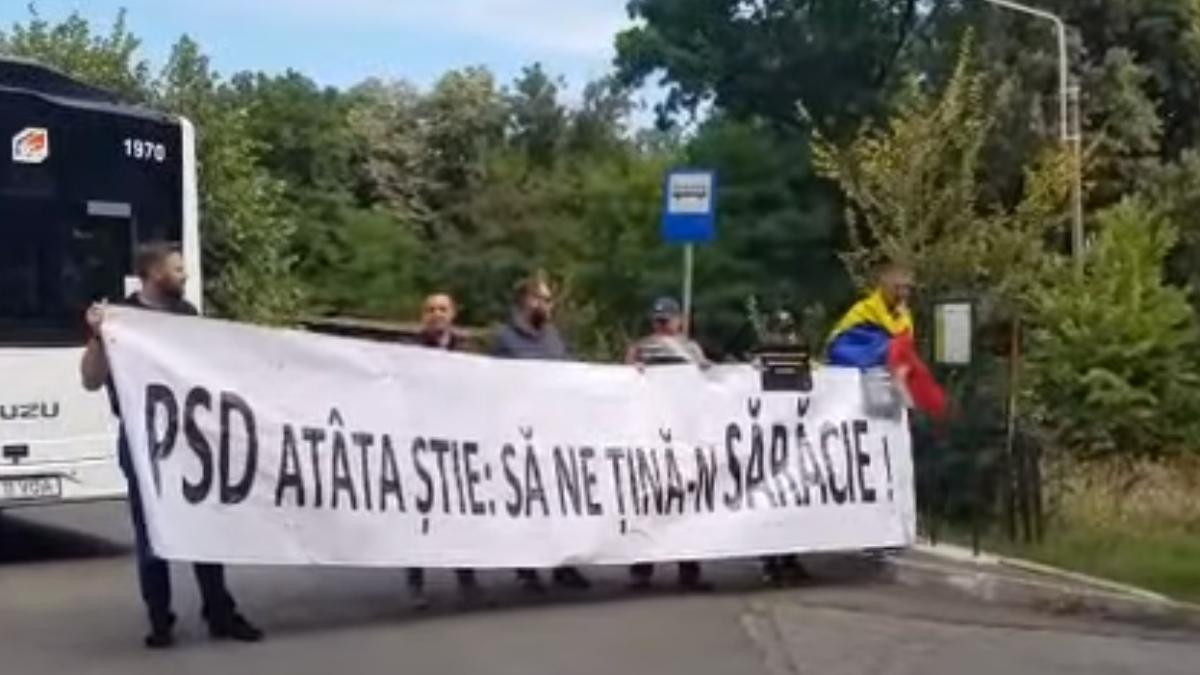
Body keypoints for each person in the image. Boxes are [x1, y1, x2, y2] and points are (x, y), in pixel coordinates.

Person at [81, 243, 263, 649]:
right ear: (152, 272)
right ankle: (159, 619)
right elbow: (91, 380)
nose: (185, 276)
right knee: (151, 533)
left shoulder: (186, 317)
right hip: (142, 439)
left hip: (189, 437)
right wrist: (96, 337)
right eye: (177, 269)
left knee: (203, 525)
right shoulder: (121, 320)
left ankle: (219, 612)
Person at [491, 272, 591, 593]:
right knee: (529, 500)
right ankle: (529, 568)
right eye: (542, 299)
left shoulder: (553, 337)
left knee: (560, 499)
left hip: (556, 429)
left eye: (549, 300)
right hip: (521, 430)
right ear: (526, 302)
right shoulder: (505, 338)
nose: (548, 305)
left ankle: (564, 565)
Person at [625, 297, 714, 592]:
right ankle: (641, 567)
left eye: (667, 319)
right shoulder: (641, 347)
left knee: (686, 500)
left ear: (680, 321)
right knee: (649, 498)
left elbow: (708, 379)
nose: (662, 325)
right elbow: (625, 379)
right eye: (658, 320)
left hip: (684, 433)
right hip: (651, 431)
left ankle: (688, 568)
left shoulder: (691, 349)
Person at [405, 293, 486, 609]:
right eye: (430, 309)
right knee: (418, 513)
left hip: (458, 441)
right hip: (419, 439)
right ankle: (415, 582)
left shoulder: (466, 352)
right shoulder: (406, 352)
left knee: (458, 510)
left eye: (443, 309)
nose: (437, 314)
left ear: (453, 314)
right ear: (422, 315)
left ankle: (466, 578)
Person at [826, 261, 946, 419]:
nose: (903, 293)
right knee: (894, 345)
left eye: (907, 288)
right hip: (854, 351)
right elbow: (839, 342)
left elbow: (905, 342)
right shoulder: (866, 309)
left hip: (885, 369)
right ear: (884, 286)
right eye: (898, 287)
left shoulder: (904, 314)